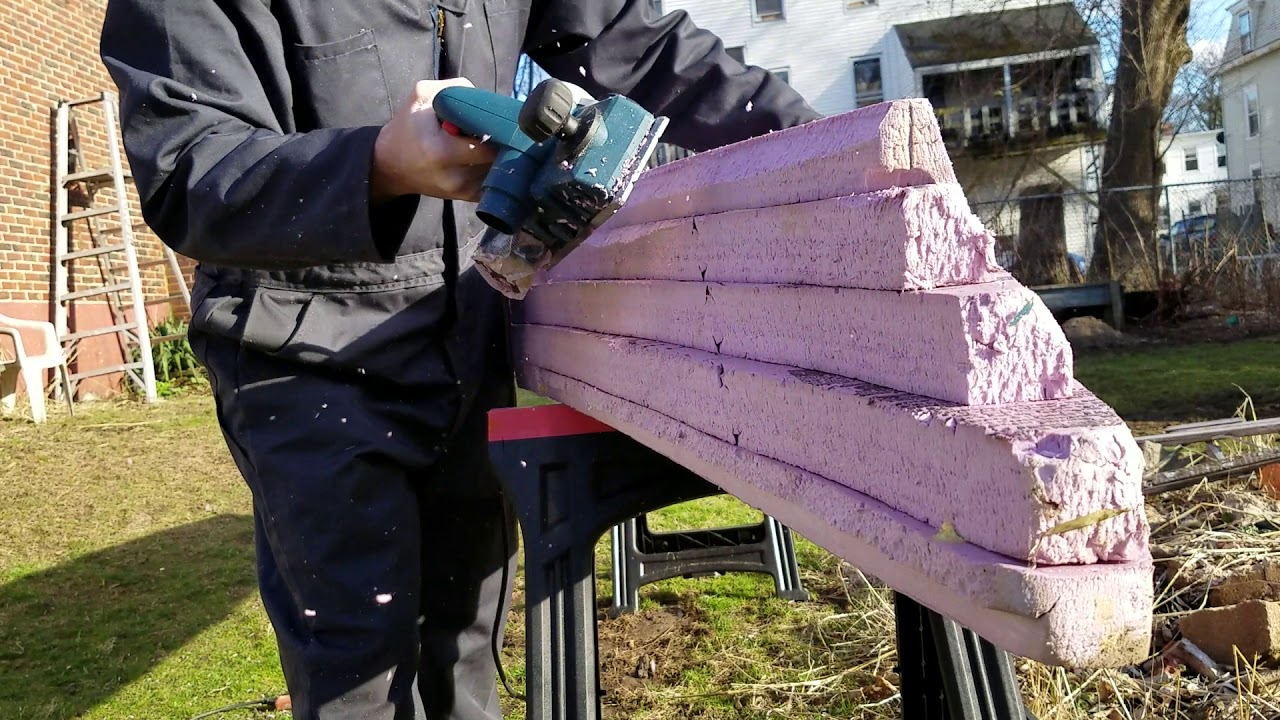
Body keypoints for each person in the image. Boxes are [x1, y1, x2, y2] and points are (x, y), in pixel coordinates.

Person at [98, 1, 821, 718]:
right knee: (358, 674)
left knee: (464, 648)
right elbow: (191, 169)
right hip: (303, 348)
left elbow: (637, 41)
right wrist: (376, 163)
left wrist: (816, 133)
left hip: (467, 333)